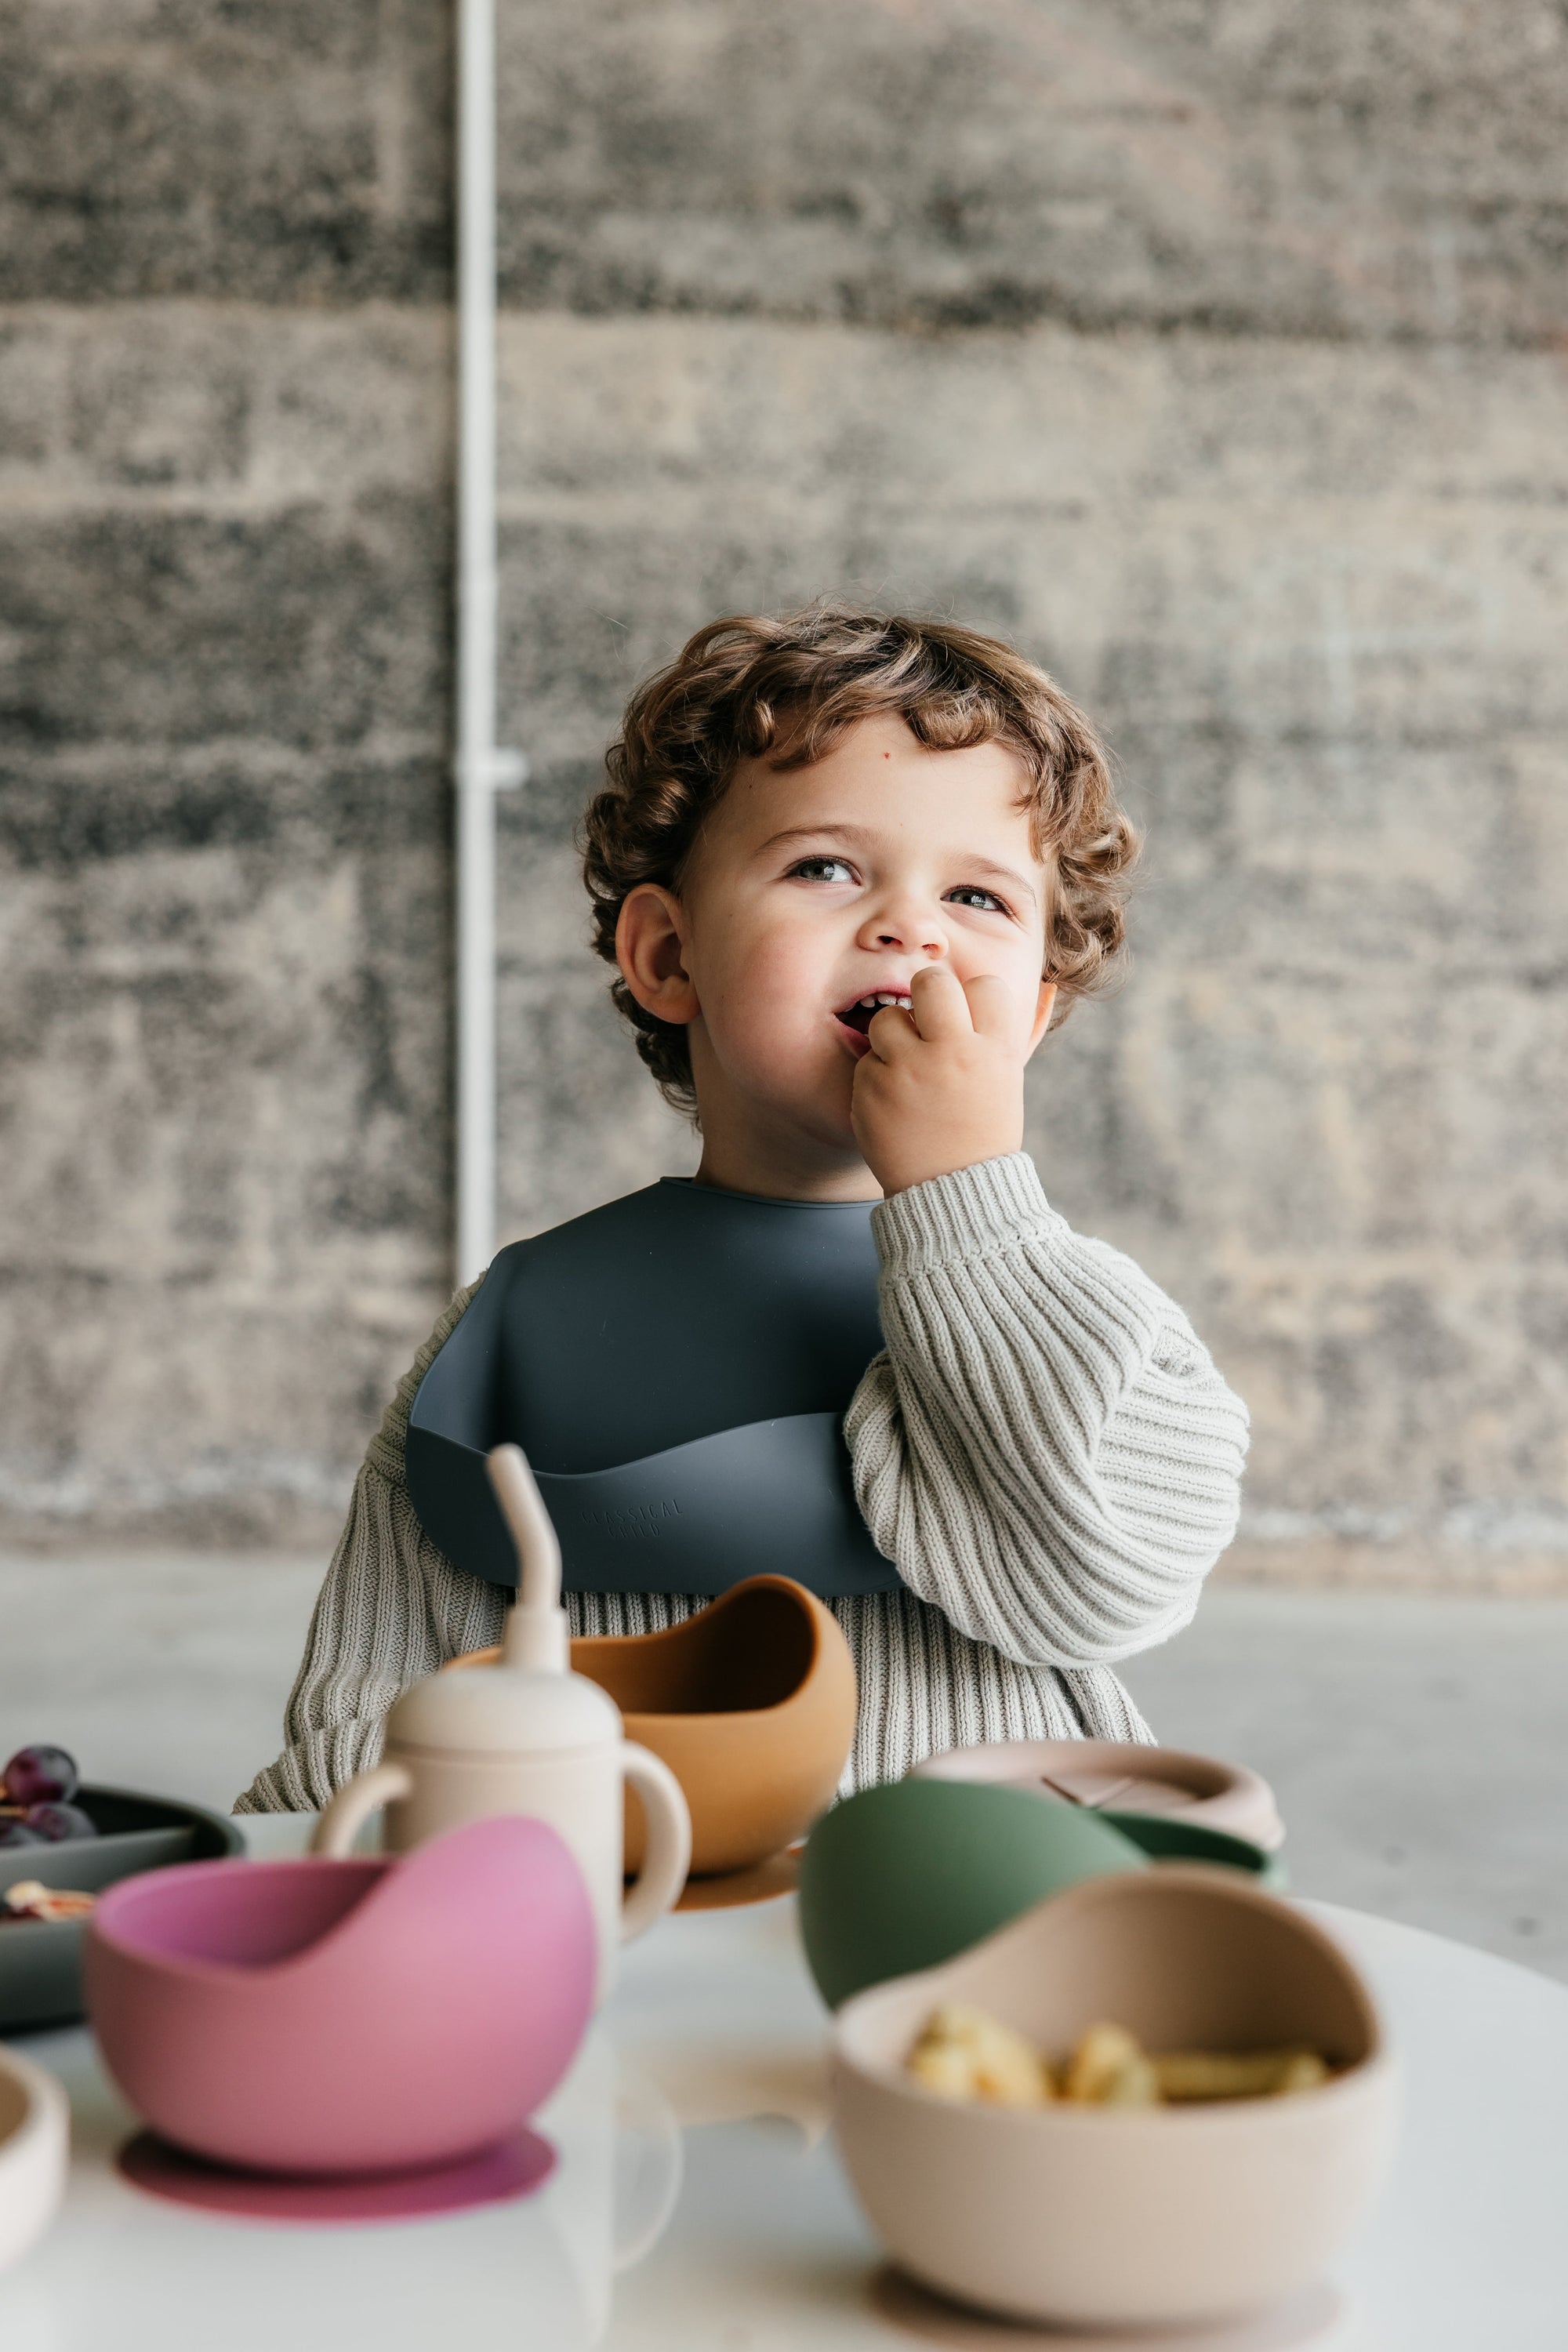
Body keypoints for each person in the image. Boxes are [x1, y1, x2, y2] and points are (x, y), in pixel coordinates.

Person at [238, 607, 1248, 1812]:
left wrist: (967, 1201)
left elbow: (1100, 1586)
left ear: (1029, 1014)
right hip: (626, 1910)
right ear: (668, 957)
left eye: (980, 899)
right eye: (827, 868)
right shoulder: (522, 1321)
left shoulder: (1095, 1317)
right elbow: (376, 1711)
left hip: (983, 1912)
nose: (909, 928)